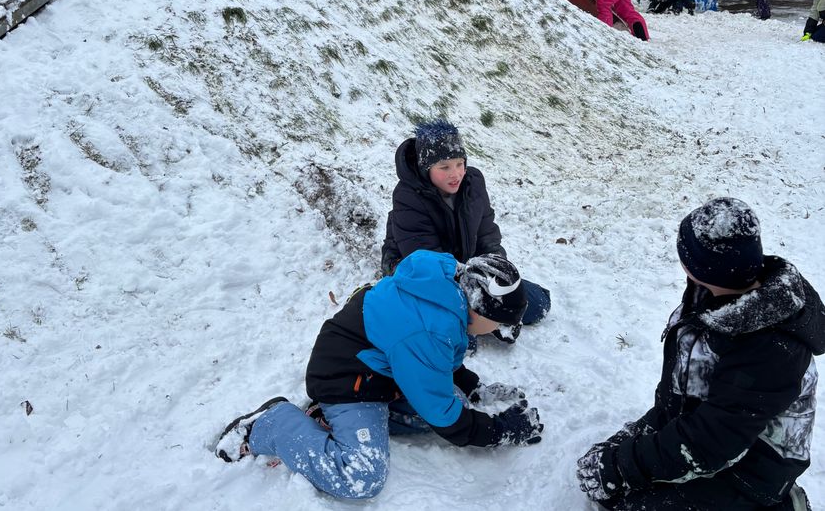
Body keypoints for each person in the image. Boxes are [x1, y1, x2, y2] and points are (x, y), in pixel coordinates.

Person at [215, 250, 544, 500]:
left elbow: (434, 365)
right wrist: (500, 430)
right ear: (479, 309)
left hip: (378, 370)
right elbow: (444, 417)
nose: (501, 330)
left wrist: (471, 387)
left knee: (454, 402)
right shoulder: (431, 329)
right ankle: (270, 424)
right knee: (361, 476)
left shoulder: (445, 289)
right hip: (347, 380)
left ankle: (327, 420)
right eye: (501, 323)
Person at [576, 197, 823, 511]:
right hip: (711, 427)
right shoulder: (712, 290)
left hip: (753, 470)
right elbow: (687, 391)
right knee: (612, 480)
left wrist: (622, 468)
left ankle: (781, 504)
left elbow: (709, 444)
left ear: (698, 266)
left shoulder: (771, 349)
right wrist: (628, 451)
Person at [381, 120, 551, 341]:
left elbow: (487, 233)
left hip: (464, 264)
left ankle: (479, 320)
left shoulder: (473, 183)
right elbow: (427, 262)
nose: (456, 174)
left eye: (460, 163)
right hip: (417, 271)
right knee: (463, 340)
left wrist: (495, 275)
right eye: (444, 167)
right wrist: (479, 297)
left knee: (536, 304)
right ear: (426, 168)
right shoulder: (408, 196)